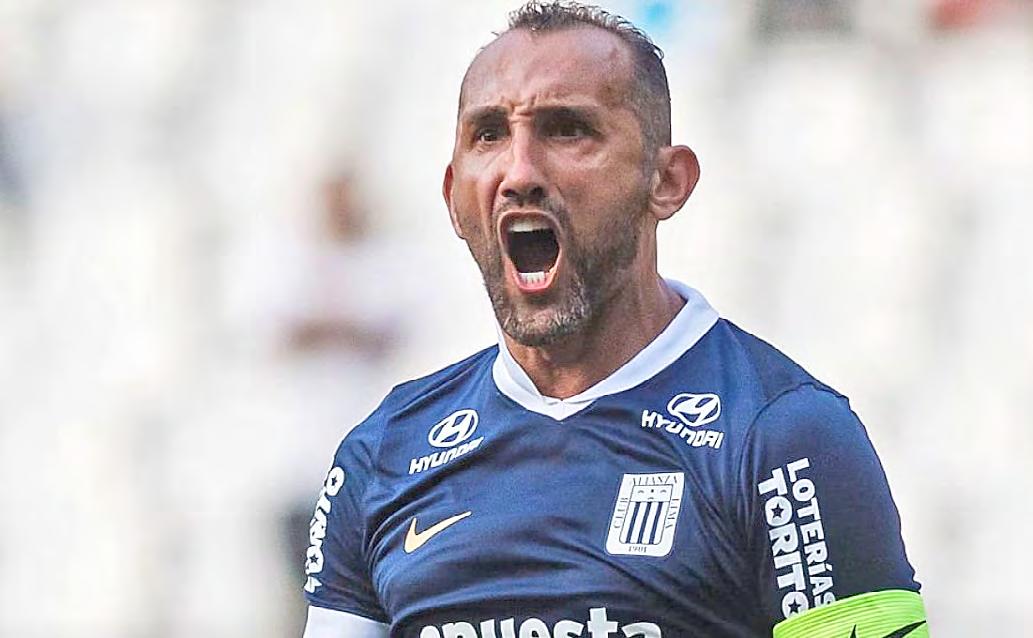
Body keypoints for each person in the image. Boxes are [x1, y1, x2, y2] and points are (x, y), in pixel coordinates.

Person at [301, 2, 927, 637]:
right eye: (489, 135)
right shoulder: (384, 454)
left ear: (667, 181)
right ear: (453, 199)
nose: (519, 173)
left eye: (567, 130)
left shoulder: (783, 437)